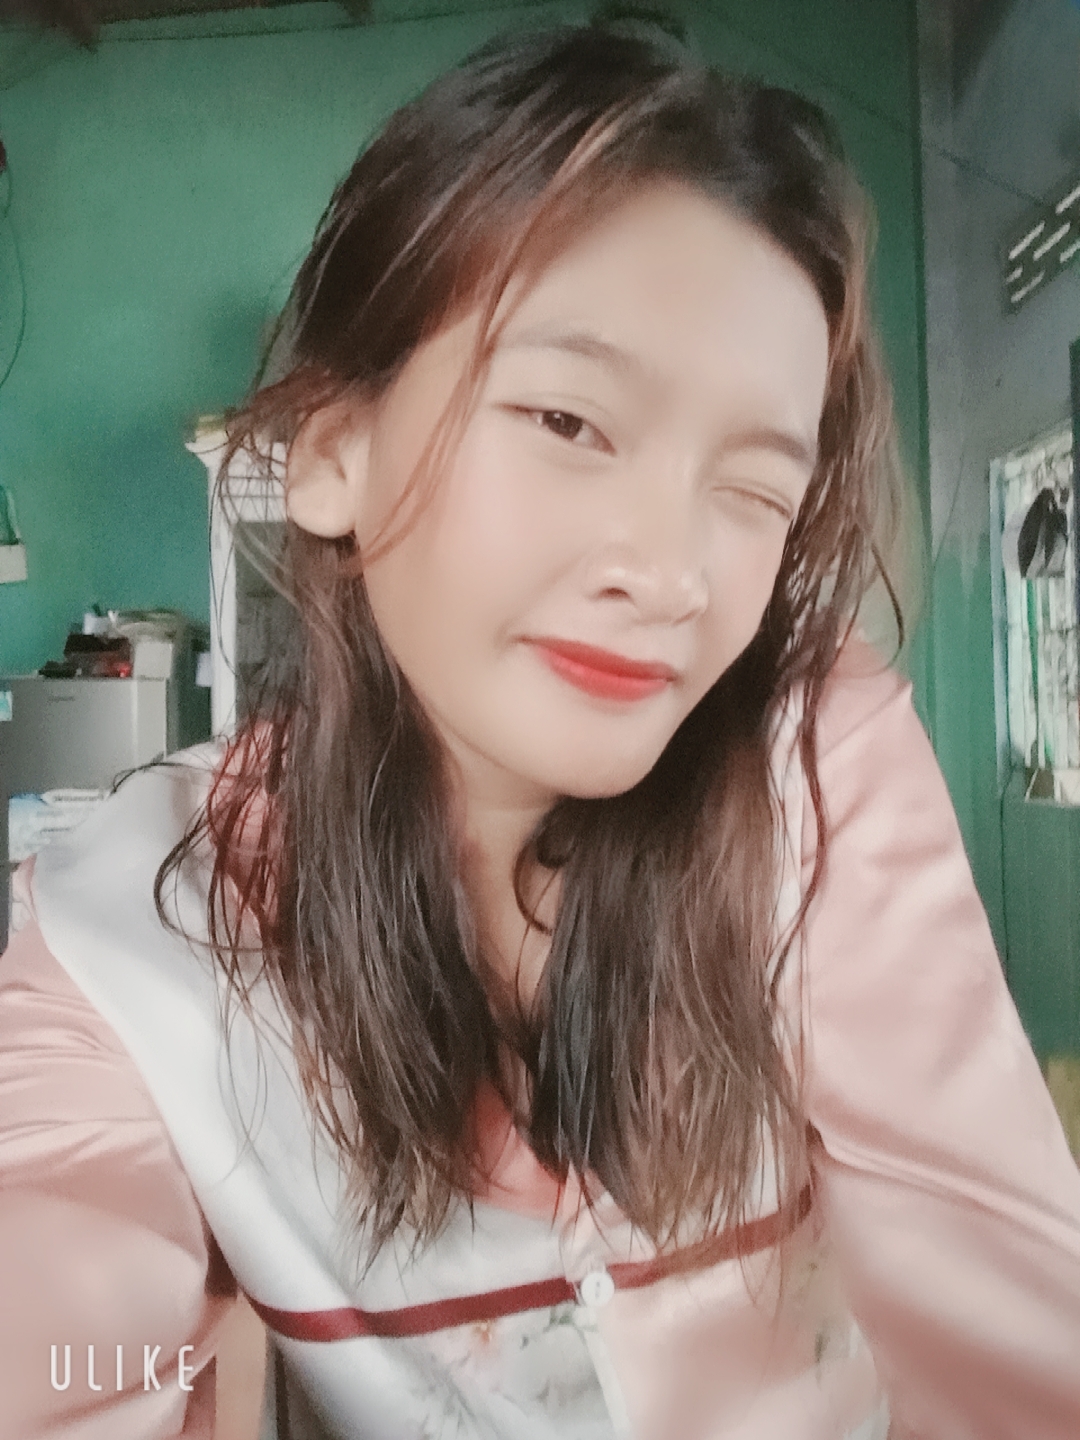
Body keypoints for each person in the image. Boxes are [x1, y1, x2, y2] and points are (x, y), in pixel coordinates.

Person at [2, 22, 1079, 1440]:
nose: (673, 574)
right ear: (330, 450)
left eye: (755, 492)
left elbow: (1012, 1337)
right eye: (569, 421)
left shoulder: (809, 767)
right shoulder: (124, 934)